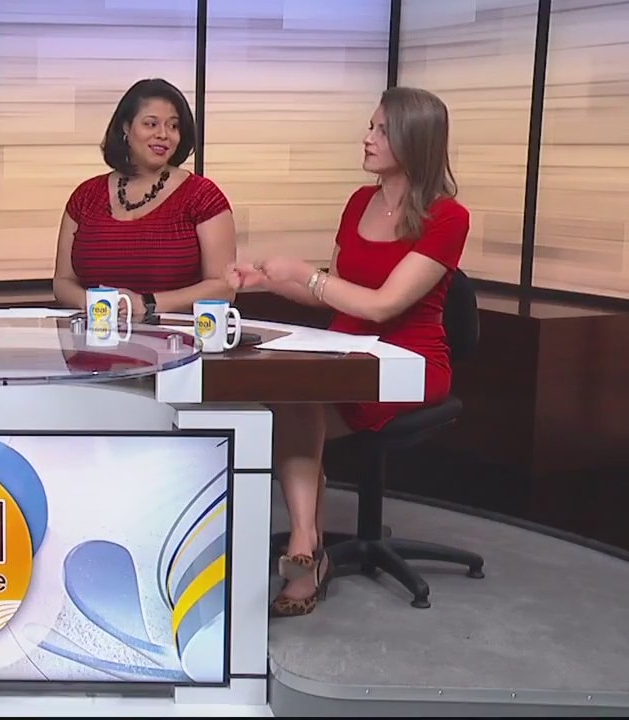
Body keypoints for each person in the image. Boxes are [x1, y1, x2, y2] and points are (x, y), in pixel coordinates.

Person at [227, 86, 469, 617]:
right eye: (370, 126)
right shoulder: (360, 201)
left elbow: (382, 306)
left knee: (299, 403)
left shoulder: (449, 217)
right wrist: (267, 281)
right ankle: (307, 546)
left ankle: (306, 552)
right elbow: (334, 290)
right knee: (295, 396)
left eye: (381, 129)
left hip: (408, 360)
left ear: (415, 139)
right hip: (344, 350)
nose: (367, 137)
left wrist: (305, 273)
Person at [53, 78, 237, 321]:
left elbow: (223, 287)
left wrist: (146, 303)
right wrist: (94, 303)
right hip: (94, 336)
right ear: (126, 128)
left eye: (173, 126)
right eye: (151, 124)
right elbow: (63, 281)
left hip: (176, 338)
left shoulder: (202, 197)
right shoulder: (85, 196)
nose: (163, 135)